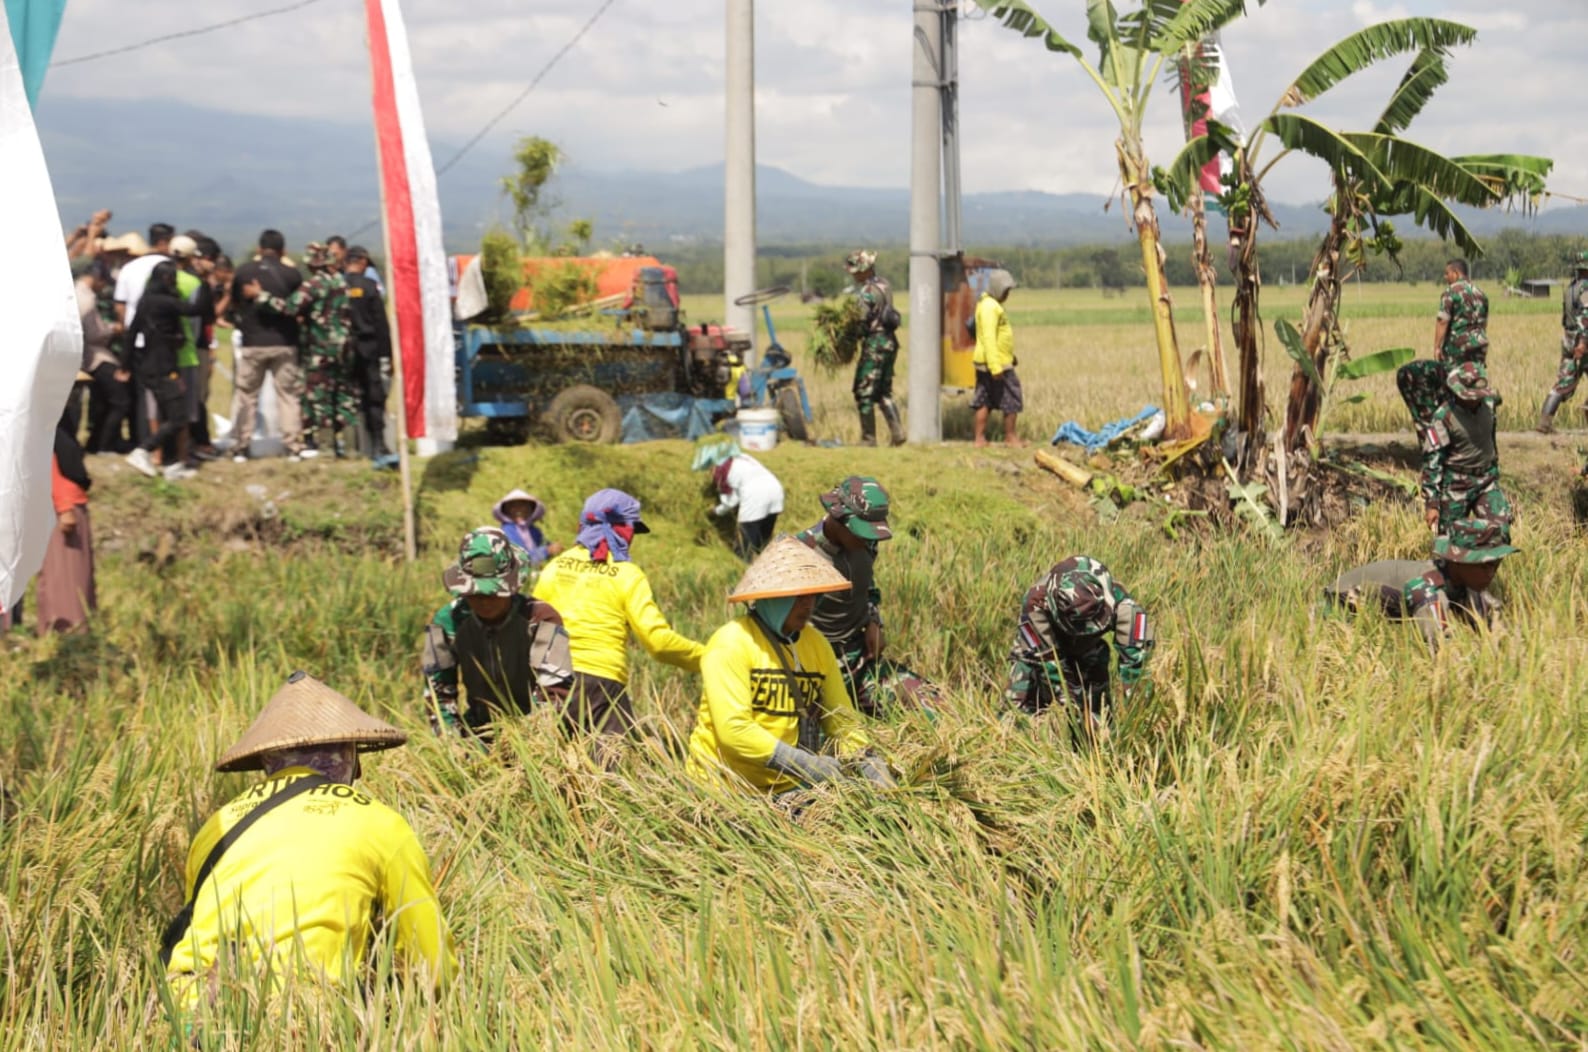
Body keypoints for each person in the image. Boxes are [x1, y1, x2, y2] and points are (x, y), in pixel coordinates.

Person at [163, 671, 454, 1011]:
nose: (358, 773)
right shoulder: (380, 823)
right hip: (298, 1014)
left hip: (189, 1012)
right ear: (347, 757)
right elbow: (432, 969)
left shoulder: (216, 825)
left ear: (267, 760)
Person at [686, 536, 896, 796]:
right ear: (772, 596)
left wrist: (868, 762)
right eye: (797, 596)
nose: (807, 605)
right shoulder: (732, 643)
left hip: (785, 787)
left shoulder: (817, 645)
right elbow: (734, 730)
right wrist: (805, 765)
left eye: (812, 596)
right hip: (725, 788)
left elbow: (842, 720)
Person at [531, 489, 705, 739]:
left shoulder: (556, 566)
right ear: (622, 530)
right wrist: (708, 657)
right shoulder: (627, 574)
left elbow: (531, 623)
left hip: (550, 679)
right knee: (608, 769)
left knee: (554, 761)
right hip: (601, 682)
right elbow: (658, 644)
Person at [797, 476, 941, 716]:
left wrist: (874, 621)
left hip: (860, 661)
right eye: (862, 533)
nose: (868, 540)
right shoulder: (799, 554)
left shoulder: (866, 543)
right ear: (838, 517)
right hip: (815, 670)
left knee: (933, 709)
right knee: (820, 743)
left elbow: (867, 584)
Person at [423, 527, 575, 741]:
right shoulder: (447, 622)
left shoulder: (541, 619)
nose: (485, 601)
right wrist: (451, 741)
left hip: (538, 731)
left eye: (494, 593)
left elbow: (557, 691)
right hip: (478, 732)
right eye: (475, 594)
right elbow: (438, 691)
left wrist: (533, 738)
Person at [1004, 556, 1155, 739]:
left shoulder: (1124, 606)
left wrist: (1133, 723)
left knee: (1100, 716)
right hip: (1040, 654)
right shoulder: (1035, 605)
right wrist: (1076, 712)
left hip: (1090, 652)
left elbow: (1137, 670)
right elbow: (1052, 668)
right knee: (1016, 714)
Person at [1323, 514, 1517, 654]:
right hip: (1339, 601)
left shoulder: (1461, 581)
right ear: (1458, 562)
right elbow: (1441, 652)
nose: (1492, 572)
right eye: (1483, 565)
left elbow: (1487, 626)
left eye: (1496, 564)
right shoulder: (1429, 590)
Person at [244, 241, 353, 458]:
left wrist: (261, 296)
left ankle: (326, 448)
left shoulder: (314, 285)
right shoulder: (342, 283)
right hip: (343, 348)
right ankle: (351, 447)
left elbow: (290, 307)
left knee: (318, 398)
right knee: (341, 396)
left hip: (319, 350)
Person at [229, 229, 306, 462]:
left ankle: (242, 446)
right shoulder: (292, 275)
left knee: (247, 395)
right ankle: (293, 446)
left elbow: (235, 301)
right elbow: (297, 307)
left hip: (253, 343)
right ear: (283, 250)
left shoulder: (243, 271)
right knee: (288, 395)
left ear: (259, 249)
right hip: (285, 343)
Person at [124, 262, 205, 481]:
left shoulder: (146, 301)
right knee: (178, 417)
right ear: (168, 279)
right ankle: (143, 451)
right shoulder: (166, 302)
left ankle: (172, 466)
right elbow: (195, 310)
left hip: (148, 366)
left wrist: (125, 365)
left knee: (166, 415)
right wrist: (204, 283)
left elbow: (131, 335)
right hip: (164, 368)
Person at [1396, 259, 1489, 429]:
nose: (1445, 277)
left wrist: (1437, 347)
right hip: (1479, 347)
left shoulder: (1450, 293)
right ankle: (1477, 425)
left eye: (1447, 273)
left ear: (1456, 273)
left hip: (1458, 347)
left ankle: (1452, 427)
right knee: (1473, 384)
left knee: (1452, 384)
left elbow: (1442, 321)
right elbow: (1483, 324)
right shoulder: (1481, 293)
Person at [1420, 362, 1510, 537]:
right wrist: (1432, 504)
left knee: (1500, 531)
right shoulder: (1443, 417)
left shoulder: (1489, 403)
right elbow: (1432, 460)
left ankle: (1485, 564)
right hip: (1457, 484)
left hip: (1487, 479)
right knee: (1449, 539)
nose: (1473, 400)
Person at [37, 414, 96, 634]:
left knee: (74, 573)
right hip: (62, 508)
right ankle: (66, 630)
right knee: (65, 575)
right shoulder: (49, 429)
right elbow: (50, 466)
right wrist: (64, 507)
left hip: (68, 504)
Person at [844, 249, 905, 446]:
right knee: (884, 392)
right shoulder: (884, 284)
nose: (853, 274)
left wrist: (847, 336)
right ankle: (898, 434)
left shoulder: (866, 293)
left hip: (874, 345)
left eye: (855, 271)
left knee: (864, 391)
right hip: (890, 343)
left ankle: (868, 438)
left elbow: (861, 322)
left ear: (864, 270)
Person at [692, 437, 785, 560]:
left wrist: (715, 511)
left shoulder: (722, 471)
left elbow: (730, 501)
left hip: (756, 498)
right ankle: (769, 566)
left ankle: (742, 569)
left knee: (743, 546)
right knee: (763, 541)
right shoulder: (743, 457)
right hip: (775, 492)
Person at [76, 259, 132, 454]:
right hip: (94, 356)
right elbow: (93, 334)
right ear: (97, 278)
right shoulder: (87, 299)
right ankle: (104, 444)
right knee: (120, 400)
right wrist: (113, 330)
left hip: (85, 356)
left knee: (102, 402)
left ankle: (96, 443)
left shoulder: (75, 292)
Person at [343, 245, 393, 458]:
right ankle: (378, 444)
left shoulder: (337, 286)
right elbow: (381, 324)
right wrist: (387, 355)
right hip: (370, 348)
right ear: (362, 262)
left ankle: (350, 447)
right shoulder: (371, 287)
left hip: (343, 350)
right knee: (374, 397)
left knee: (348, 398)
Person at [971, 268, 1025, 448]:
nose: (1007, 295)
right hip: (996, 364)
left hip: (992, 361)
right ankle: (1010, 437)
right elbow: (989, 338)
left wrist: (1011, 356)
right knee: (1012, 397)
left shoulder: (987, 305)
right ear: (997, 288)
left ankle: (980, 439)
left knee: (984, 399)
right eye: (1006, 291)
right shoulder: (990, 308)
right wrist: (996, 366)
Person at [1537, 250, 1588, 433]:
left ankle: (1545, 421)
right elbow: (1586, 316)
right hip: (1582, 341)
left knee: (1564, 381)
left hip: (1568, 338)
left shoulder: (1572, 287)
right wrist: (1583, 343)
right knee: (1566, 381)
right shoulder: (1586, 288)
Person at [491, 489, 561, 570]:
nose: (518, 510)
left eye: (522, 506)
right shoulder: (507, 531)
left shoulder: (533, 530)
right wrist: (547, 551)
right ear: (507, 511)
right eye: (513, 507)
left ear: (531, 509)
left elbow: (544, 543)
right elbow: (520, 558)